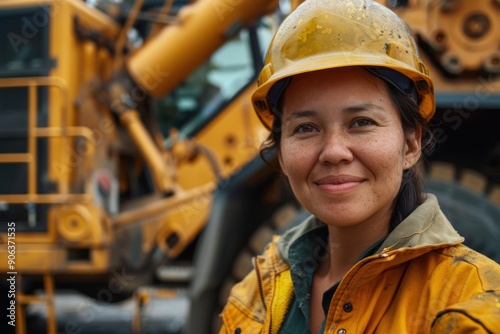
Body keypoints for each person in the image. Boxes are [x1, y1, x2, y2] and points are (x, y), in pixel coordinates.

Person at [218, 0, 500, 333]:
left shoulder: (469, 302)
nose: (334, 152)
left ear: (411, 144)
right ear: (281, 153)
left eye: (361, 122)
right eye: (306, 128)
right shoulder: (259, 291)